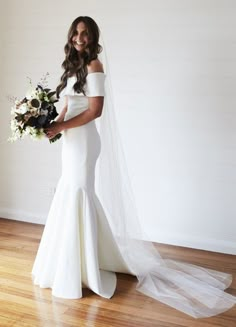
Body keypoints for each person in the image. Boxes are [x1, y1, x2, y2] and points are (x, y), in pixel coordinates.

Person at [31, 16, 236, 318]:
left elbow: (95, 111)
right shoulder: (73, 67)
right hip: (70, 141)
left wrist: (62, 127)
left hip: (85, 141)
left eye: (85, 33)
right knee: (69, 190)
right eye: (76, 33)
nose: (79, 38)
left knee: (78, 192)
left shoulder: (94, 67)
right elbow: (68, 104)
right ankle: (77, 259)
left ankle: (83, 265)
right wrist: (52, 124)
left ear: (93, 36)